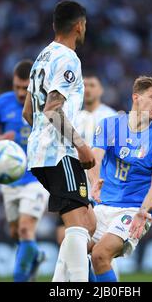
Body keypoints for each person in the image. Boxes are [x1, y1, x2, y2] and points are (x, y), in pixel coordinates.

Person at [22, 0, 96, 282]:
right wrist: (79, 144)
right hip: (59, 152)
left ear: (55, 26)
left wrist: (42, 136)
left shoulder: (41, 58)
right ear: (79, 26)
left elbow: (28, 112)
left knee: (88, 222)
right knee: (77, 226)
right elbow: (53, 108)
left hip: (40, 153)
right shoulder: (68, 59)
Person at [87, 76, 152, 282]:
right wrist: (95, 182)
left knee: (100, 255)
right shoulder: (110, 125)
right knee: (75, 252)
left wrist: (144, 211)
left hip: (134, 211)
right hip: (103, 204)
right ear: (136, 97)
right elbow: (95, 159)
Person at [0, 60, 49, 282]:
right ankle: (35, 256)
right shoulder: (1, 103)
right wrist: (0, 138)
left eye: (24, 87)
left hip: (38, 177)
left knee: (27, 229)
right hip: (10, 179)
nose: (19, 92)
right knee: (16, 233)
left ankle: (19, 278)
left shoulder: (46, 104)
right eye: (16, 86)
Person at [55, 74, 117, 245]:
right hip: (73, 182)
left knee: (99, 240)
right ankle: (80, 271)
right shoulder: (71, 116)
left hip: (101, 188)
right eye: (85, 85)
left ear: (101, 90)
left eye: (92, 85)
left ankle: (104, 271)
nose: (88, 89)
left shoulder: (110, 117)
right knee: (65, 236)